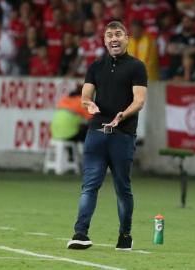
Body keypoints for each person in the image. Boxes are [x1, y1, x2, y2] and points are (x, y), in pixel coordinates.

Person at [67, 21, 148, 250]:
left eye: (118, 34)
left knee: (122, 188)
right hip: (97, 133)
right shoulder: (95, 67)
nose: (114, 38)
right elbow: (85, 96)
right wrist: (88, 105)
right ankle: (80, 233)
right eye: (110, 35)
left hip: (122, 135)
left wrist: (122, 115)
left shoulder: (137, 67)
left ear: (126, 38)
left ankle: (124, 236)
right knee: (89, 185)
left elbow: (139, 100)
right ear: (104, 40)